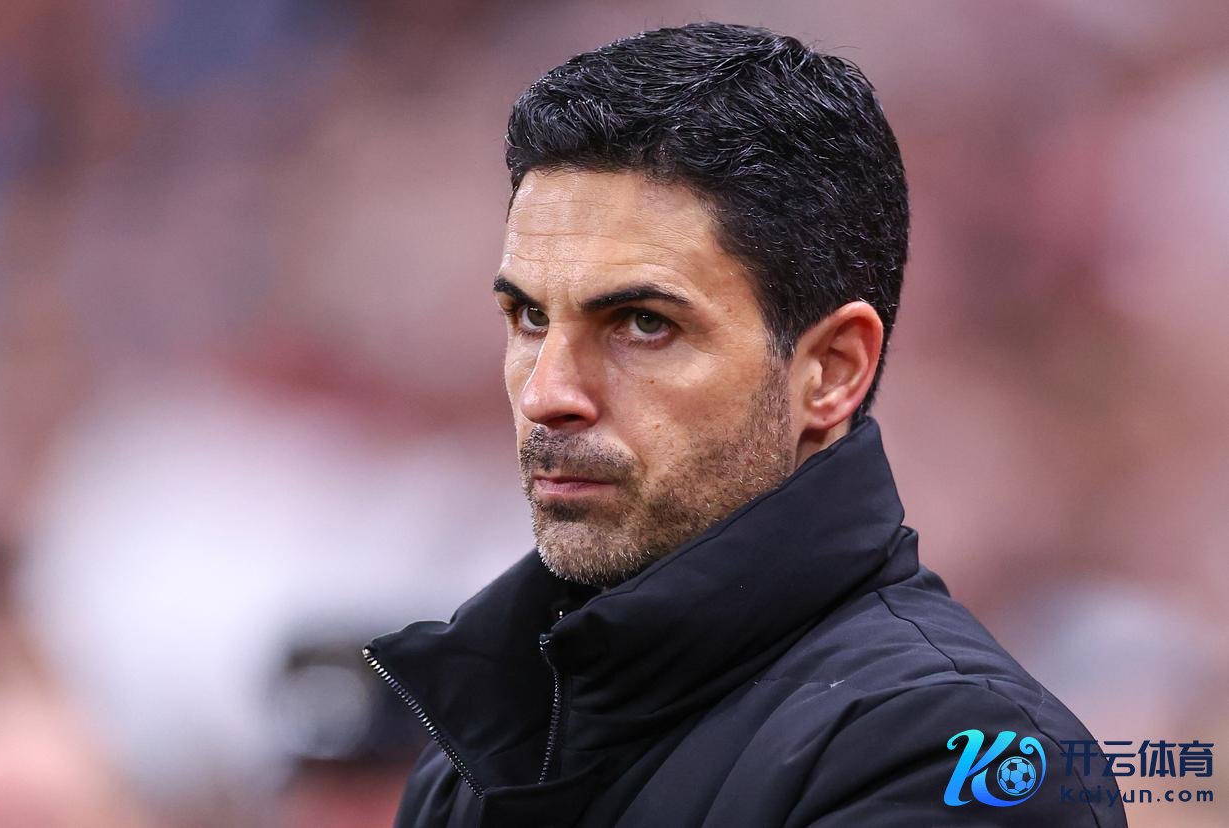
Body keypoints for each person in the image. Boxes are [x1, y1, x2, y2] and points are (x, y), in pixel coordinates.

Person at [365, 22, 1126, 827]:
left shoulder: (954, 754)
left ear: (831, 370)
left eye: (643, 324)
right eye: (528, 317)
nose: (547, 394)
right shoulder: (478, 742)